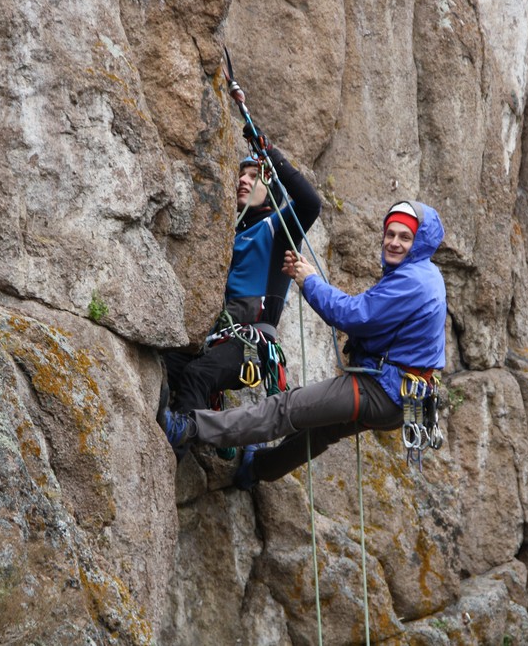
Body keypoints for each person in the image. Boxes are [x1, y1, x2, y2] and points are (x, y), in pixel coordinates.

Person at [159, 200, 446, 488]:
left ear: (419, 241)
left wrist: (309, 281)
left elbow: (353, 315)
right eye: (390, 234)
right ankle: (256, 469)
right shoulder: (424, 274)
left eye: (404, 237)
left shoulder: (413, 280)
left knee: (286, 408)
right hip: (403, 398)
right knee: (318, 433)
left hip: (380, 390)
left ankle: (187, 428)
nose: (394, 242)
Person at [161, 132, 322, 426]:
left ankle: (183, 435)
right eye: (241, 175)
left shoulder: (275, 228)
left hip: (250, 343)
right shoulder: (229, 234)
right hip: (220, 337)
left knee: (198, 375)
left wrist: (269, 154)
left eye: (254, 176)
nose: (243, 181)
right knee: (169, 363)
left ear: (271, 187)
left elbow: (310, 204)